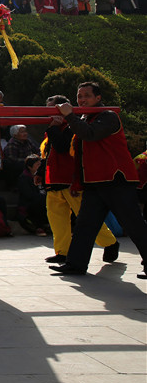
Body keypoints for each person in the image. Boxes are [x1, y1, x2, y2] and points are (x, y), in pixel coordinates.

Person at [50, 82, 147, 278]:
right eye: (79, 96)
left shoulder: (108, 116)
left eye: (86, 95)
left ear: (98, 98)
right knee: (85, 225)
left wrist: (69, 116)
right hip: (94, 182)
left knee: (134, 225)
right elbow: (72, 150)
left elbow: (90, 134)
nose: (82, 100)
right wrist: (57, 125)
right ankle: (75, 264)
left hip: (116, 180)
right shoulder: (84, 118)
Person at [41, 95, 117, 264]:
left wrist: (53, 128)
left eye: (52, 110)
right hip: (54, 179)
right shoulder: (53, 129)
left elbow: (61, 147)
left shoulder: (73, 127)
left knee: (85, 218)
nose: (50, 115)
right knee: (57, 219)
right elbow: (47, 155)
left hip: (71, 179)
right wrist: (40, 173)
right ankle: (63, 251)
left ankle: (110, 242)